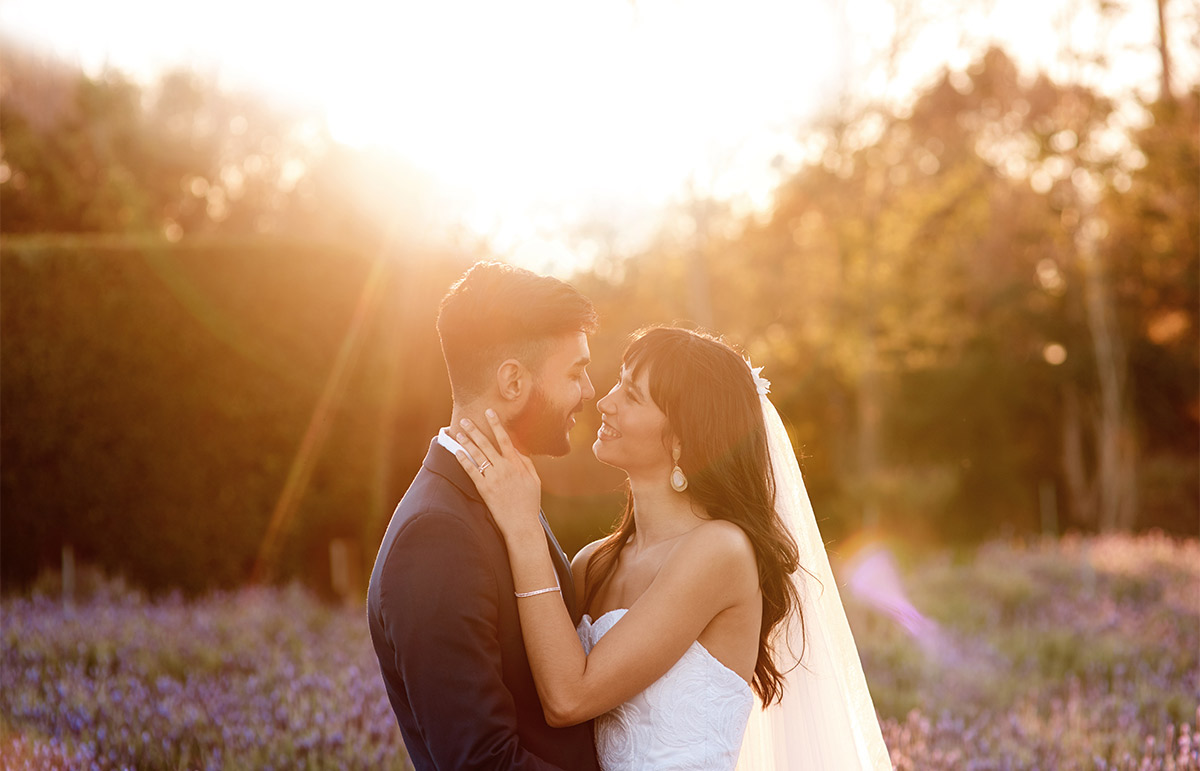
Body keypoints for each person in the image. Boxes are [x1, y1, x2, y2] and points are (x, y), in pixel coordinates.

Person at [452, 326, 893, 770]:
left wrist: (524, 527)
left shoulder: (721, 553)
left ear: (682, 438)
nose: (605, 402)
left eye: (632, 395)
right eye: (617, 383)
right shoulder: (594, 564)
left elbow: (569, 698)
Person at [367, 261, 602, 770]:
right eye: (575, 372)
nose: (588, 392)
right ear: (513, 381)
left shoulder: (502, 492)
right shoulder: (435, 537)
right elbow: (482, 763)